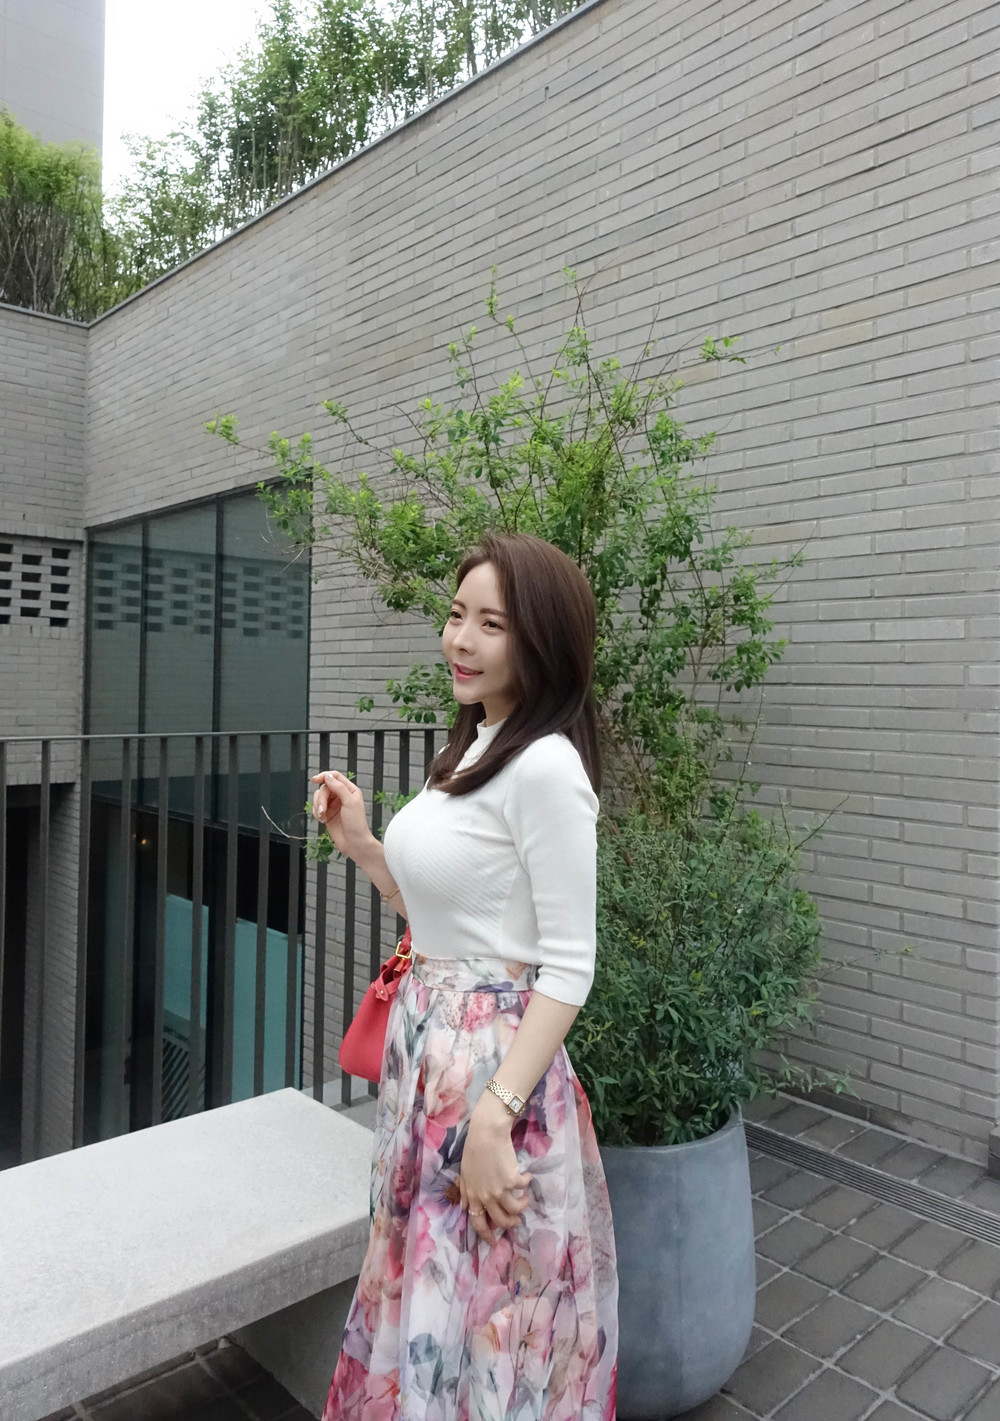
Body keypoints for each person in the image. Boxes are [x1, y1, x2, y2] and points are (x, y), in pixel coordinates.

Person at [309, 529, 619, 1421]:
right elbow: (446, 920)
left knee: (480, 1330)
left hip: (492, 1083)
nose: (461, 639)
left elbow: (570, 964)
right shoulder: (476, 747)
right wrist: (364, 844)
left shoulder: (546, 765)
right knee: (428, 1314)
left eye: (492, 623)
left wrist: (494, 1116)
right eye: (456, 615)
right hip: (429, 1071)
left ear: (540, 641)